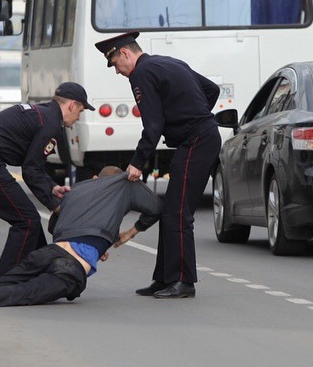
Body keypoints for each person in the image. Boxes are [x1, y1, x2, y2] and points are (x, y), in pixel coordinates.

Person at [0, 166, 163, 309]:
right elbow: (157, 208)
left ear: (96, 178)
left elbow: (56, 225)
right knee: (25, 293)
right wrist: (130, 232)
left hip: (50, 252)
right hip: (71, 269)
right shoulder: (125, 185)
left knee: (2, 282)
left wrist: (100, 239)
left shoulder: (78, 190)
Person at [94, 31, 220, 299]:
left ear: (126, 54)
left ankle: (183, 281)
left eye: (116, 64)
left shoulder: (141, 74)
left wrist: (138, 163)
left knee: (178, 213)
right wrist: (191, 114)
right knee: (170, 210)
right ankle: (164, 278)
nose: (118, 71)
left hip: (196, 140)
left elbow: (152, 124)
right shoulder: (168, 62)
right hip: (200, 137)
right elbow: (212, 90)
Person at [0, 81, 94, 280]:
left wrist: (52, 187)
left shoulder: (45, 114)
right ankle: (4, 282)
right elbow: (30, 170)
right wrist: (55, 206)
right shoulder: (51, 123)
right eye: (80, 110)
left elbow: (33, 165)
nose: (78, 116)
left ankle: (42, 273)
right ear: (72, 105)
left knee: (29, 219)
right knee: (26, 221)